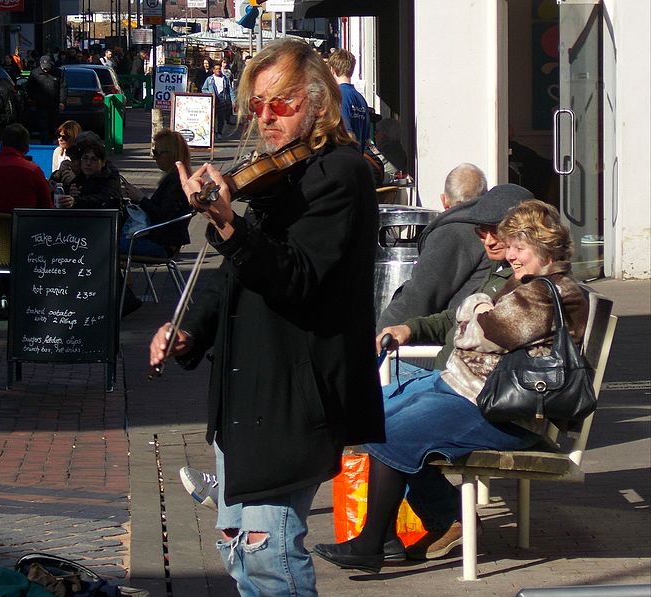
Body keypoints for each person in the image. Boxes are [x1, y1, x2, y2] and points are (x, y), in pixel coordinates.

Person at [149, 38, 384, 597]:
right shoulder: (281, 178)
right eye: (257, 106)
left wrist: (231, 226)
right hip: (246, 393)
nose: (267, 118)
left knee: (271, 552)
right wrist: (190, 329)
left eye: (281, 103)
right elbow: (234, 275)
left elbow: (296, 277)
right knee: (239, 549)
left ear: (318, 101)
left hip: (294, 391)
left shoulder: (342, 173)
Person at [179, 182, 529, 514]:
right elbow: (445, 315)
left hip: (467, 382)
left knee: (358, 413)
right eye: (480, 230)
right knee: (356, 412)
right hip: (452, 370)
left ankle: (433, 517)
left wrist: (387, 335)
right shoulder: (500, 265)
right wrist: (409, 328)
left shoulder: (524, 280)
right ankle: (244, 487)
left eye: (494, 231)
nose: (487, 239)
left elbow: (427, 301)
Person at [313, 200, 589, 573]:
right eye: (510, 247)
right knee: (379, 418)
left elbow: (490, 333)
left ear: (543, 247)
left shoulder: (552, 292)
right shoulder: (526, 283)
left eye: (518, 248)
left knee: (388, 432)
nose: (510, 255)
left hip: (506, 412)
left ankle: (373, 544)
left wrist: (474, 309)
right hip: (473, 392)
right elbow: (473, 328)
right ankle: (397, 535)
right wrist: (475, 314)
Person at [377, 179, 535, 331]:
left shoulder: (453, 235)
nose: (488, 242)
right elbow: (451, 318)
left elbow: (416, 300)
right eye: (480, 232)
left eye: (497, 232)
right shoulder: (498, 262)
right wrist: (407, 330)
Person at [120, 129, 191, 258]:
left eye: (156, 153)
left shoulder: (176, 182)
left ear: (170, 154)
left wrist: (141, 199)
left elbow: (163, 215)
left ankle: (117, 278)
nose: (154, 157)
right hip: (161, 239)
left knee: (109, 243)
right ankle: (121, 278)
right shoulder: (175, 178)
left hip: (162, 243)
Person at [0, 123, 52, 212]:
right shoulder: (33, 171)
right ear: (27, 148)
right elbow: (47, 210)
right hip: (24, 225)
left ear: (1, 144)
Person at [55, 140, 122, 212]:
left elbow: (104, 198)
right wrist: (70, 194)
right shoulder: (81, 176)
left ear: (103, 163)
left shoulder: (110, 177)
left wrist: (76, 200)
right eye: (85, 158)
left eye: (94, 159)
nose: (88, 163)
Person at [327, 49, 370, 153]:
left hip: (346, 160)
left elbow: (348, 134)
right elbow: (367, 140)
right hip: (359, 158)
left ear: (332, 70)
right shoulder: (361, 99)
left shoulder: (339, 95)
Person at [25, 55, 67, 144]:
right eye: (44, 68)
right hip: (40, 104)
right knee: (43, 126)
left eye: (47, 68)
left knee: (53, 126)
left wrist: (62, 101)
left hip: (54, 104)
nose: (45, 70)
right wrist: (34, 98)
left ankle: (51, 142)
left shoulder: (58, 73)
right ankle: (45, 144)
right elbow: (29, 88)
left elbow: (63, 88)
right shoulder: (35, 73)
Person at [201, 62, 237, 139]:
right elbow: (204, 89)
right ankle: (211, 133)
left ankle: (219, 132)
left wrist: (233, 101)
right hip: (213, 101)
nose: (218, 70)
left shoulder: (225, 79)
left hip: (222, 101)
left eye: (219, 69)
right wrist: (210, 94)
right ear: (213, 70)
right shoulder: (209, 79)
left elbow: (230, 90)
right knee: (211, 118)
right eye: (216, 69)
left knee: (221, 119)